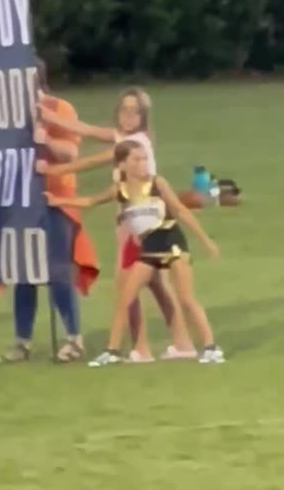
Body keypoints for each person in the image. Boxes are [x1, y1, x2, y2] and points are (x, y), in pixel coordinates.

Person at [38, 88, 194, 360]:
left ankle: (142, 349)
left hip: (137, 223)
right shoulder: (124, 137)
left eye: (135, 111)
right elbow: (84, 129)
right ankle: (182, 344)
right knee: (156, 285)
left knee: (127, 287)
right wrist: (46, 113)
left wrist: (53, 171)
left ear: (144, 116)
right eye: (124, 109)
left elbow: (92, 161)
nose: (128, 115)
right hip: (138, 220)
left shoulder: (137, 143)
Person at [49, 141, 223, 367]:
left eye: (144, 159)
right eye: (136, 159)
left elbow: (180, 210)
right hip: (149, 247)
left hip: (171, 242)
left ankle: (211, 348)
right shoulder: (120, 190)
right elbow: (90, 201)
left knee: (186, 298)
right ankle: (111, 351)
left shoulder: (157, 183)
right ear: (122, 164)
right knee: (125, 299)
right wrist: (57, 201)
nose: (143, 164)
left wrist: (206, 241)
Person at [0, 60, 97, 363]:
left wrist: (44, 139)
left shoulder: (60, 109)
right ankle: (22, 340)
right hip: (21, 200)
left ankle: (74, 338)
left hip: (55, 198)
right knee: (23, 272)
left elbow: (71, 153)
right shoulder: (8, 115)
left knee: (57, 270)